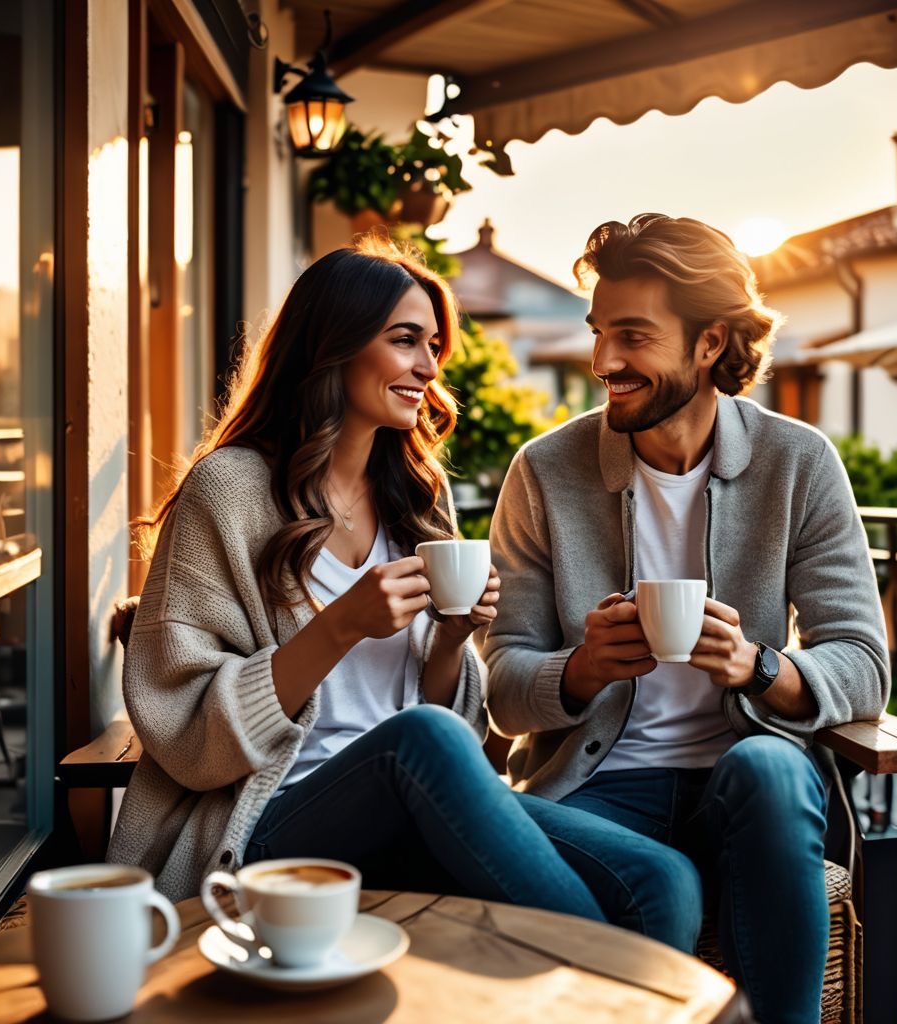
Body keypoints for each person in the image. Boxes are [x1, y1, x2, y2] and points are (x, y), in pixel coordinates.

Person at [106, 234, 695, 947]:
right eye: (406, 340)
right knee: (420, 739)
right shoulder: (230, 491)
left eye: (433, 346)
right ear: (336, 345)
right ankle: (599, 977)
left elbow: (456, 726)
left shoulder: (415, 492)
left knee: (661, 880)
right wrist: (339, 626)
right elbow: (189, 737)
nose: (427, 366)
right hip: (265, 821)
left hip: (409, 804)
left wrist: (450, 640)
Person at [482, 214, 890, 1023]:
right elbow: (501, 686)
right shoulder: (544, 472)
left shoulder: (798, 463)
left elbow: (864, 664)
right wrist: (580, 669)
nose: (604, 362)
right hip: (598, 788)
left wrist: (758, 666)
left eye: (632, 337)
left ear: (709, 344)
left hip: (745, 785)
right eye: (599, 334)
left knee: (773, 770)